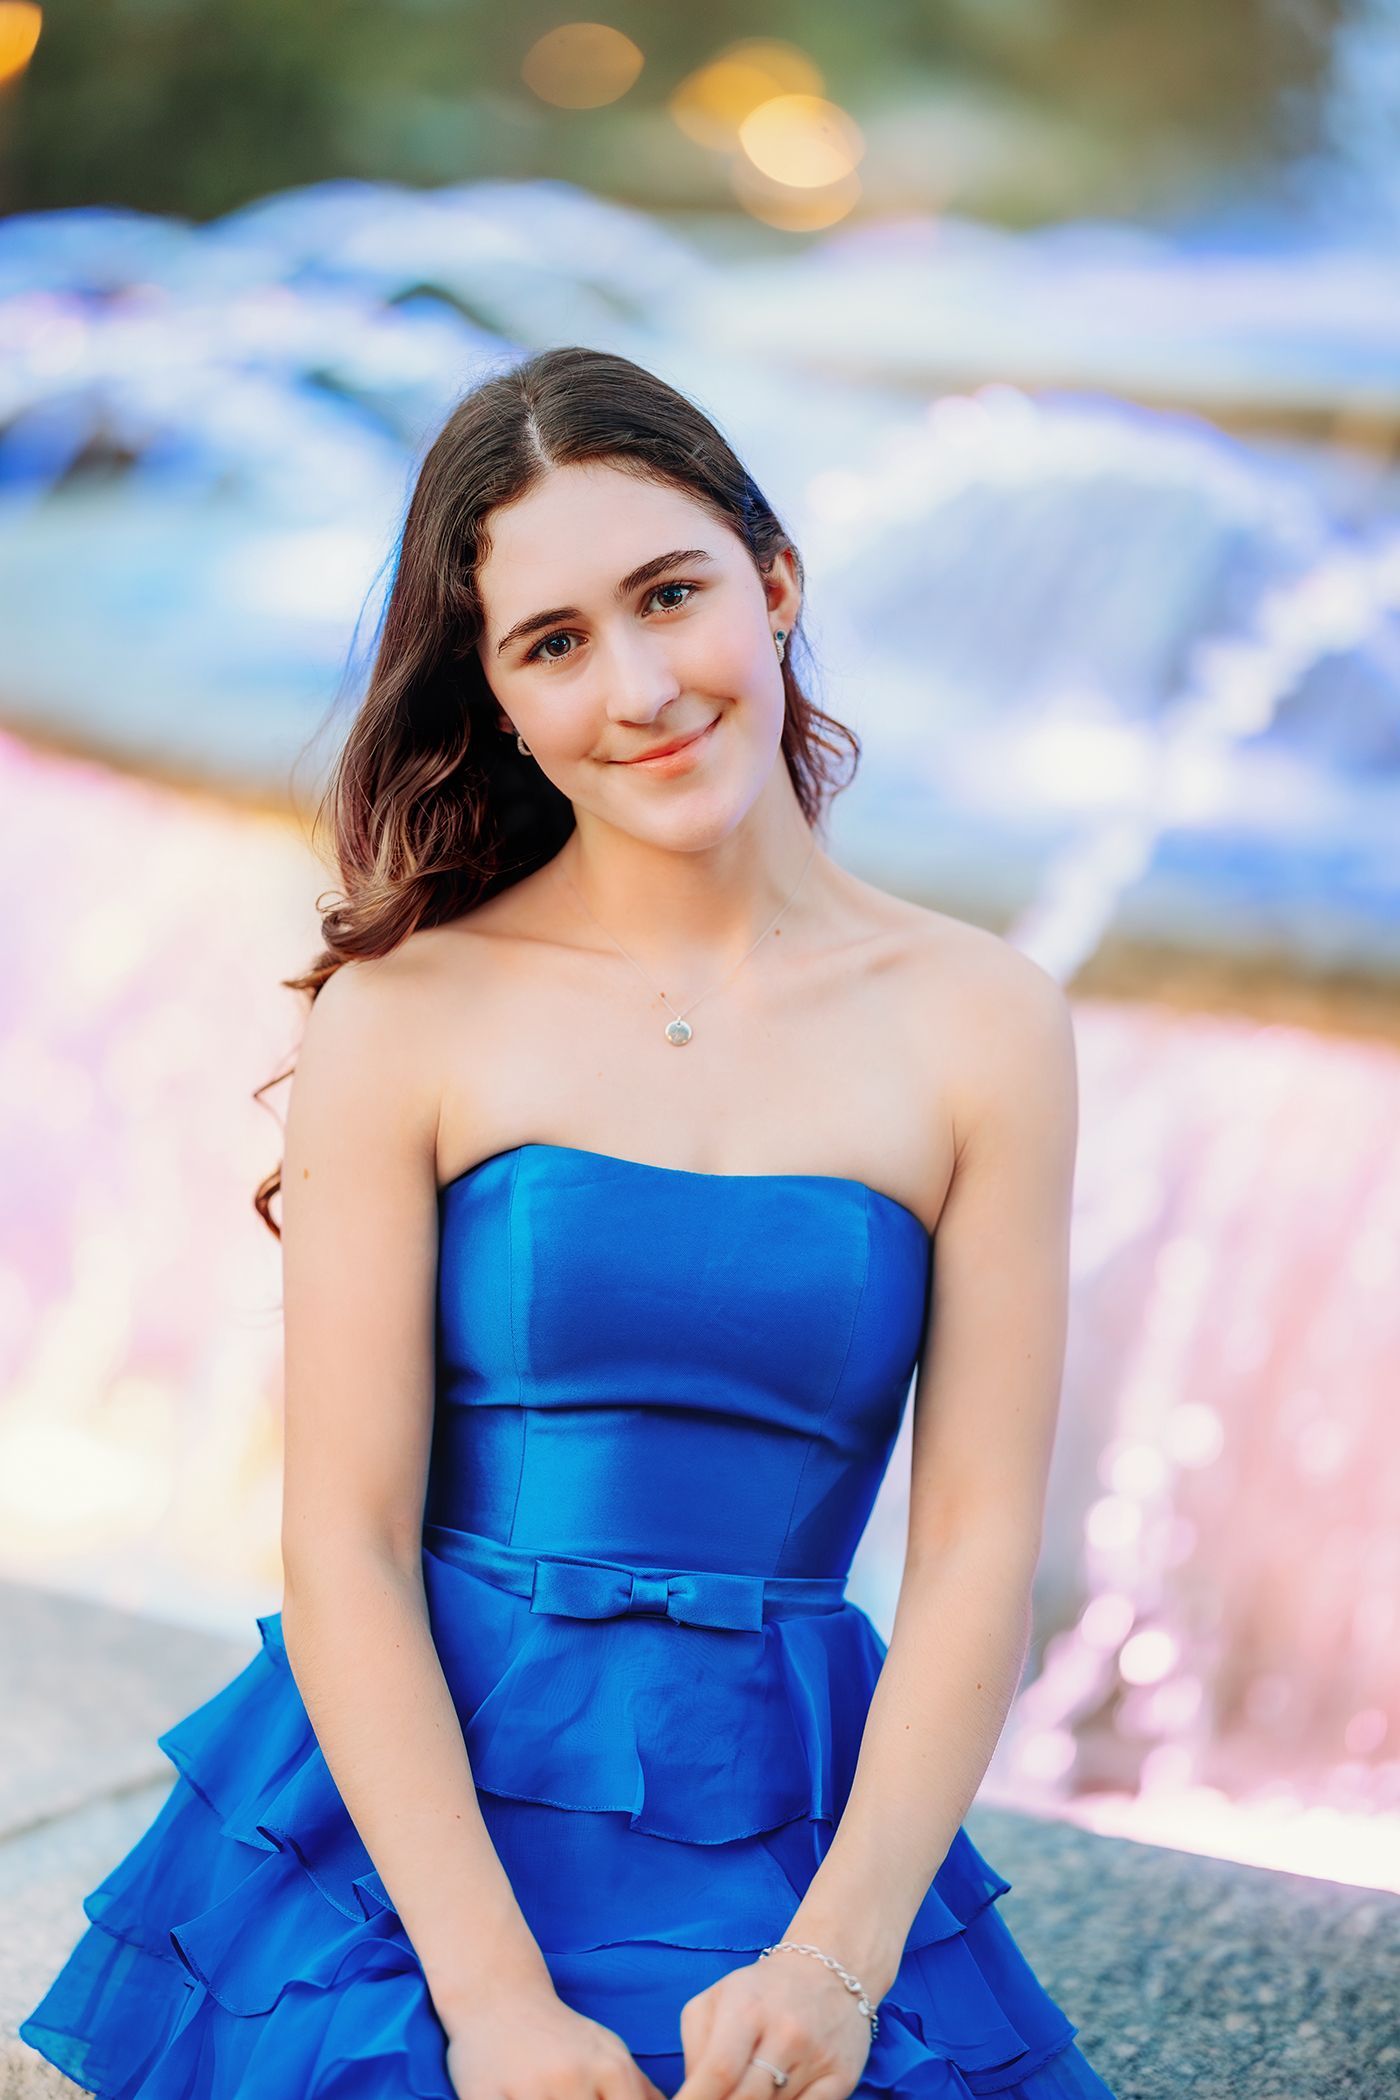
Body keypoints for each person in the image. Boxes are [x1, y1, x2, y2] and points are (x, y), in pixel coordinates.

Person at [20, 345, 1116, 2100]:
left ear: (772, 583)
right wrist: (497, 2007)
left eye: (668, 596)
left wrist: (834, 1962)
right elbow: (347, 1545)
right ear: (503, 699)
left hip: (783, 1820)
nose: (641, 687)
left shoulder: (984, 1019)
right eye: (554, 643)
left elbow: (979, 1547)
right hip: (412, 1831)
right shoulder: (411, 1010)